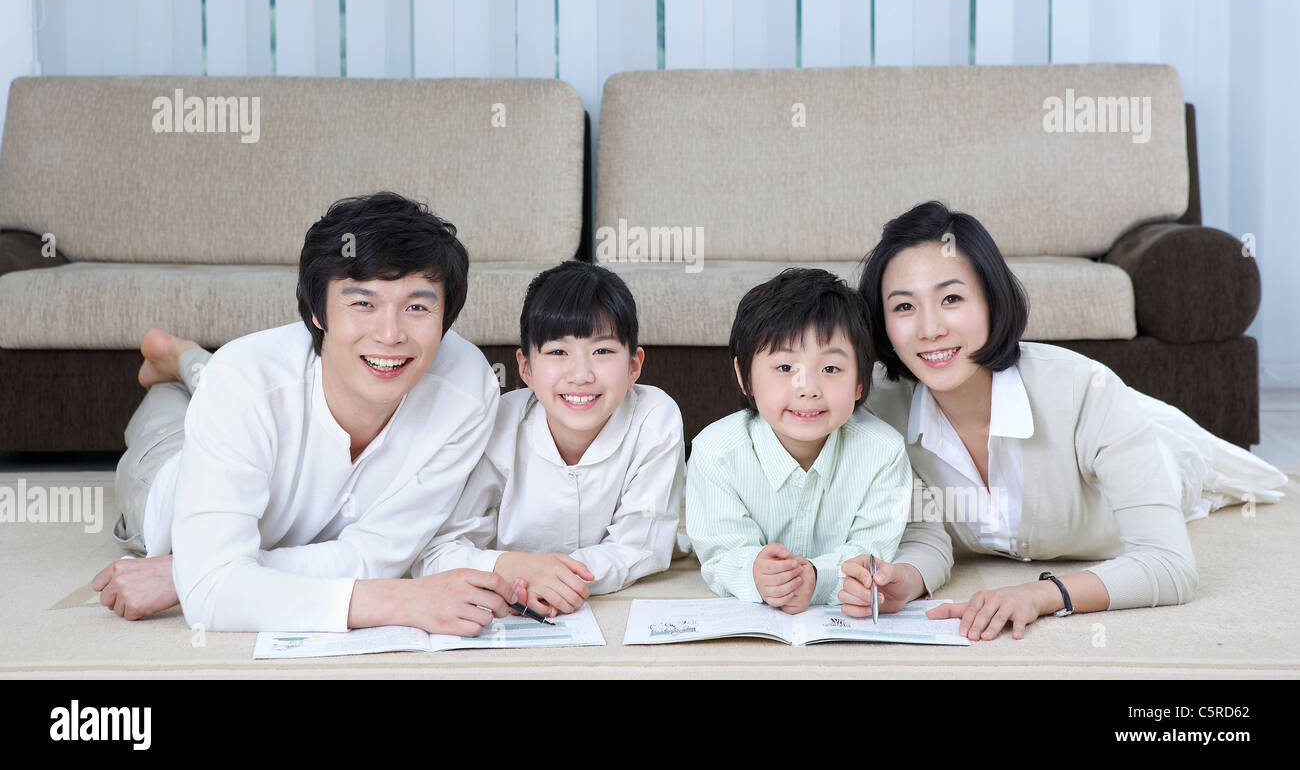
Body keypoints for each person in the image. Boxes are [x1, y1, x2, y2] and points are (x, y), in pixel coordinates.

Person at [839, 200, 1288, 640]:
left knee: (1217, 475)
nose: (929, 328)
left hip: (1160, 450)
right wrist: (902, 579)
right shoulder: (884, 412)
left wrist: (1041, 595)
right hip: (1086, 410)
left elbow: (1168, 565)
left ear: (993, 301)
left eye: (951, 298)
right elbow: (927, 532)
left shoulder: (1085, 391)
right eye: (904, 307)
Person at [92, 192, 524, 634]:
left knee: (221, 382)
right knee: (173, 414)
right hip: (165, 472)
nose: (391, 334)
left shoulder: (469, 388)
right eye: (363, 303)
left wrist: (204, 573)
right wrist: (403, 599)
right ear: (318, 312)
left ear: (445, 316)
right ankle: (177, 365)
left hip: (237, 395)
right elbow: (212, 598)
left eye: (417, 306)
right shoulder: (243, 381)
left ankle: (187, 359)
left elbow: (375, 555)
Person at [418, 261, 685, 616]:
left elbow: (640, 546)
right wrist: (512, 570)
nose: (580, 375)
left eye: (602, 351)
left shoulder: (656, 419)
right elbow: (439, 551)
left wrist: (556, 580)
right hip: (512, 592)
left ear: (634, 365)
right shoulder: (498, 425)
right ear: (525, 367)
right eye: (558, 352)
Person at [686, 268, 913, 614]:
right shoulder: (715, 452)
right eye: (785, 368)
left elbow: (871, 550)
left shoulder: (884, 452)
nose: (807, 387)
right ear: (744, 376)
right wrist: (754, 572)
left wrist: (819, 578)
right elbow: (720, 552)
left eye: (831, 369)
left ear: (861, 382)